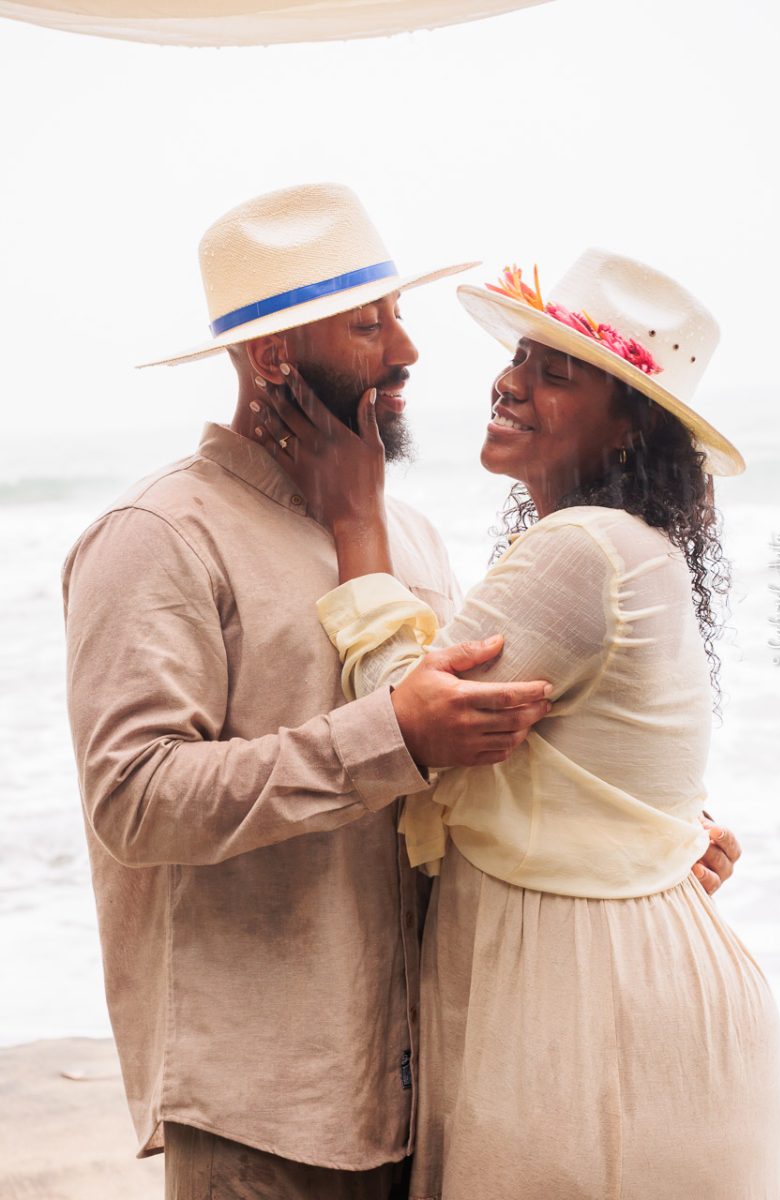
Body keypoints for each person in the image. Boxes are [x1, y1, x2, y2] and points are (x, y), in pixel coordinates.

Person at [62, 186, 739, 1200]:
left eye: (397, 316)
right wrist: (389, 733)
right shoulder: (161, 536)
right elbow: (134, 800)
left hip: (436, 1087)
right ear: (274, 357)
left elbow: (472, 766)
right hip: (267, 1106)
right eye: (369, 326)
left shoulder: (403, 538)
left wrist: (641, 831)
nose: (411, 350)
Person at [261, 249, 780, 1198]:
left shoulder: (585, 548)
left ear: (629, 430)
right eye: (518, 357)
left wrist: (356, 521)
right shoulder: (636, 552)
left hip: (589, 1004)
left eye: (556, 374)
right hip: (633, 980)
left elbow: (414, 717)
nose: (510, 383)